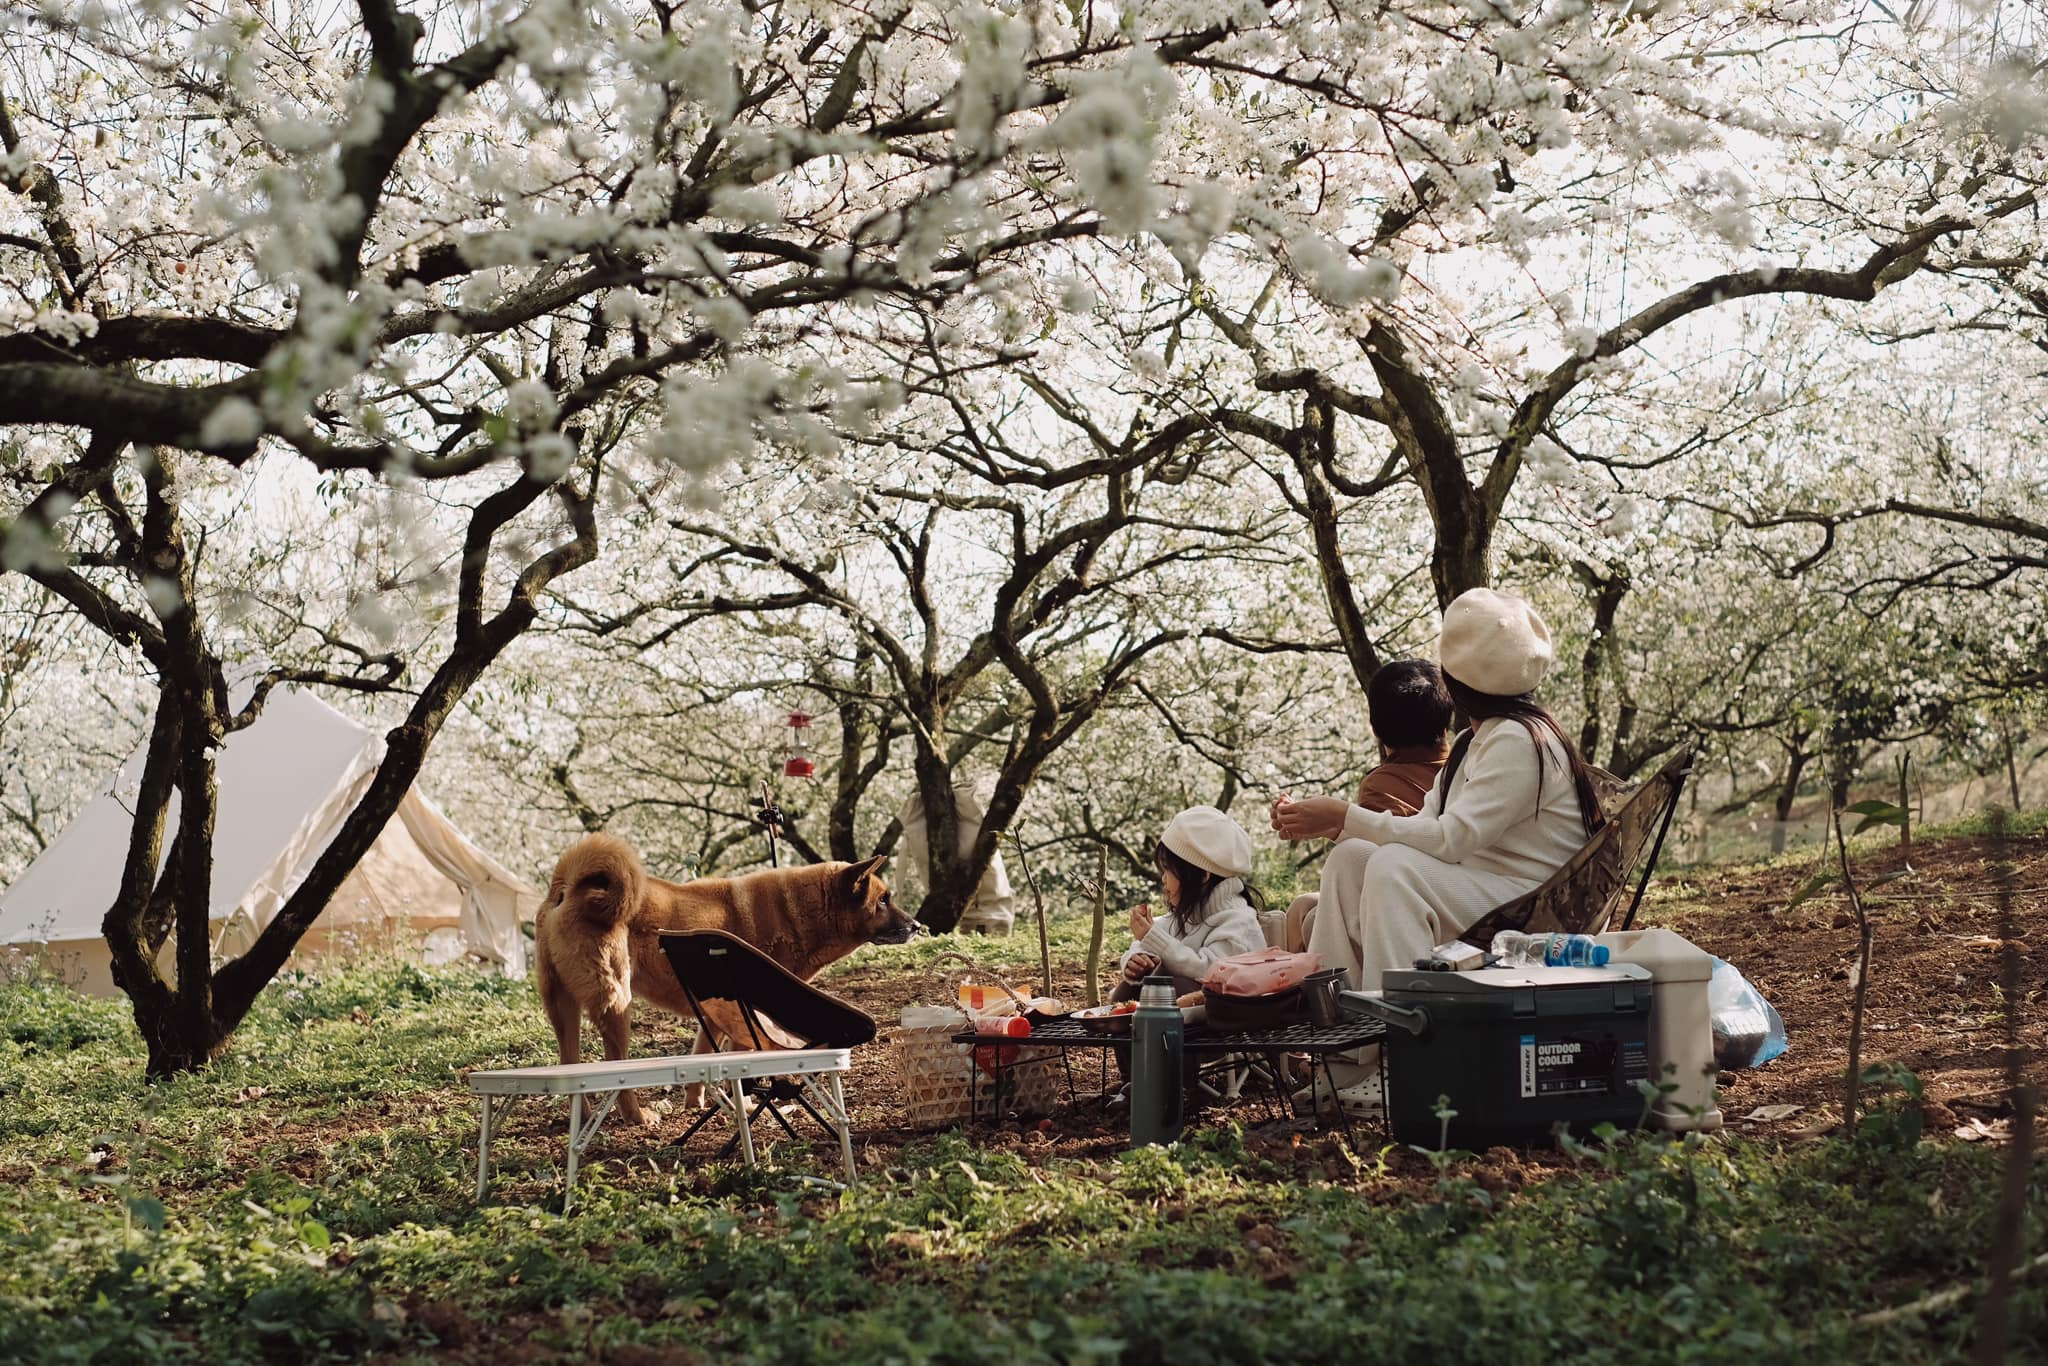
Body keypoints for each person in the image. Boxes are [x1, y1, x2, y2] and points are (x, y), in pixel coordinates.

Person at [1271, 588, 1606, 1114]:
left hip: (1534, 902)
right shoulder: (1479, 740)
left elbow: (1453, 839)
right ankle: (1345, 1054)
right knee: (1351, 859)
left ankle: (1402, 1060)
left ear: (1456, 682)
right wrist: (1334, 828)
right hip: (1489, 885)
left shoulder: (1518, 741)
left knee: (1393, 870)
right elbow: (1429, 823)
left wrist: (1343, 815)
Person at [1272, 660, 1453, 955]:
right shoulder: (1465, 766)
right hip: (1456, 894)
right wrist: (1332, 826)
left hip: (1420, 906)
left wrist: (1337, 821)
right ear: (1447, 722)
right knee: (1308, 905)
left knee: (1334, 877)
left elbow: (1386, 856)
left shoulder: (1383, 782)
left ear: (1375, 730)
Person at [1112, 805, 1266, 1003]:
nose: (1163, 880)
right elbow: (1153, 939)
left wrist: (1154, 939)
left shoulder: (1239, 922)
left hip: (1228, 1017)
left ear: (1202, 875)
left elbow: (1207, 971)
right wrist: (1137, 960)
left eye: (1168, 870)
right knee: (1127, 991)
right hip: (1189, 1018)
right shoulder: (1189, 913)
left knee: (1177, 987)